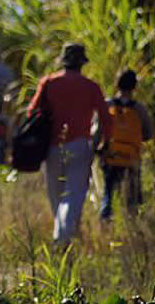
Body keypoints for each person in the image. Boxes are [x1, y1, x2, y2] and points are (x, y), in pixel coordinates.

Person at [27, 42, 112, 247]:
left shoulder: (48, 83)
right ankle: (64, 238)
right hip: (80, 147)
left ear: (64, 61)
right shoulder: (91, 87)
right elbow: (106, 119)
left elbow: (31, 113)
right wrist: (102, 143)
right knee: (73, 197)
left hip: (52, 147)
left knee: (57, 198)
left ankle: (63, 239)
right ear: (82, 63)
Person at [98, 69, 155, 220]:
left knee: (109, 193)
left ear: (117, 85)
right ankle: (135, 221)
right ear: (134, 87)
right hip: (132, 158)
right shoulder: (139, 109)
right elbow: (148, 134)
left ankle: (106, 218)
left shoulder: (107, 104)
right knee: (134, 195)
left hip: (111, 156)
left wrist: (97, 151)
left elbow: (98, 131)